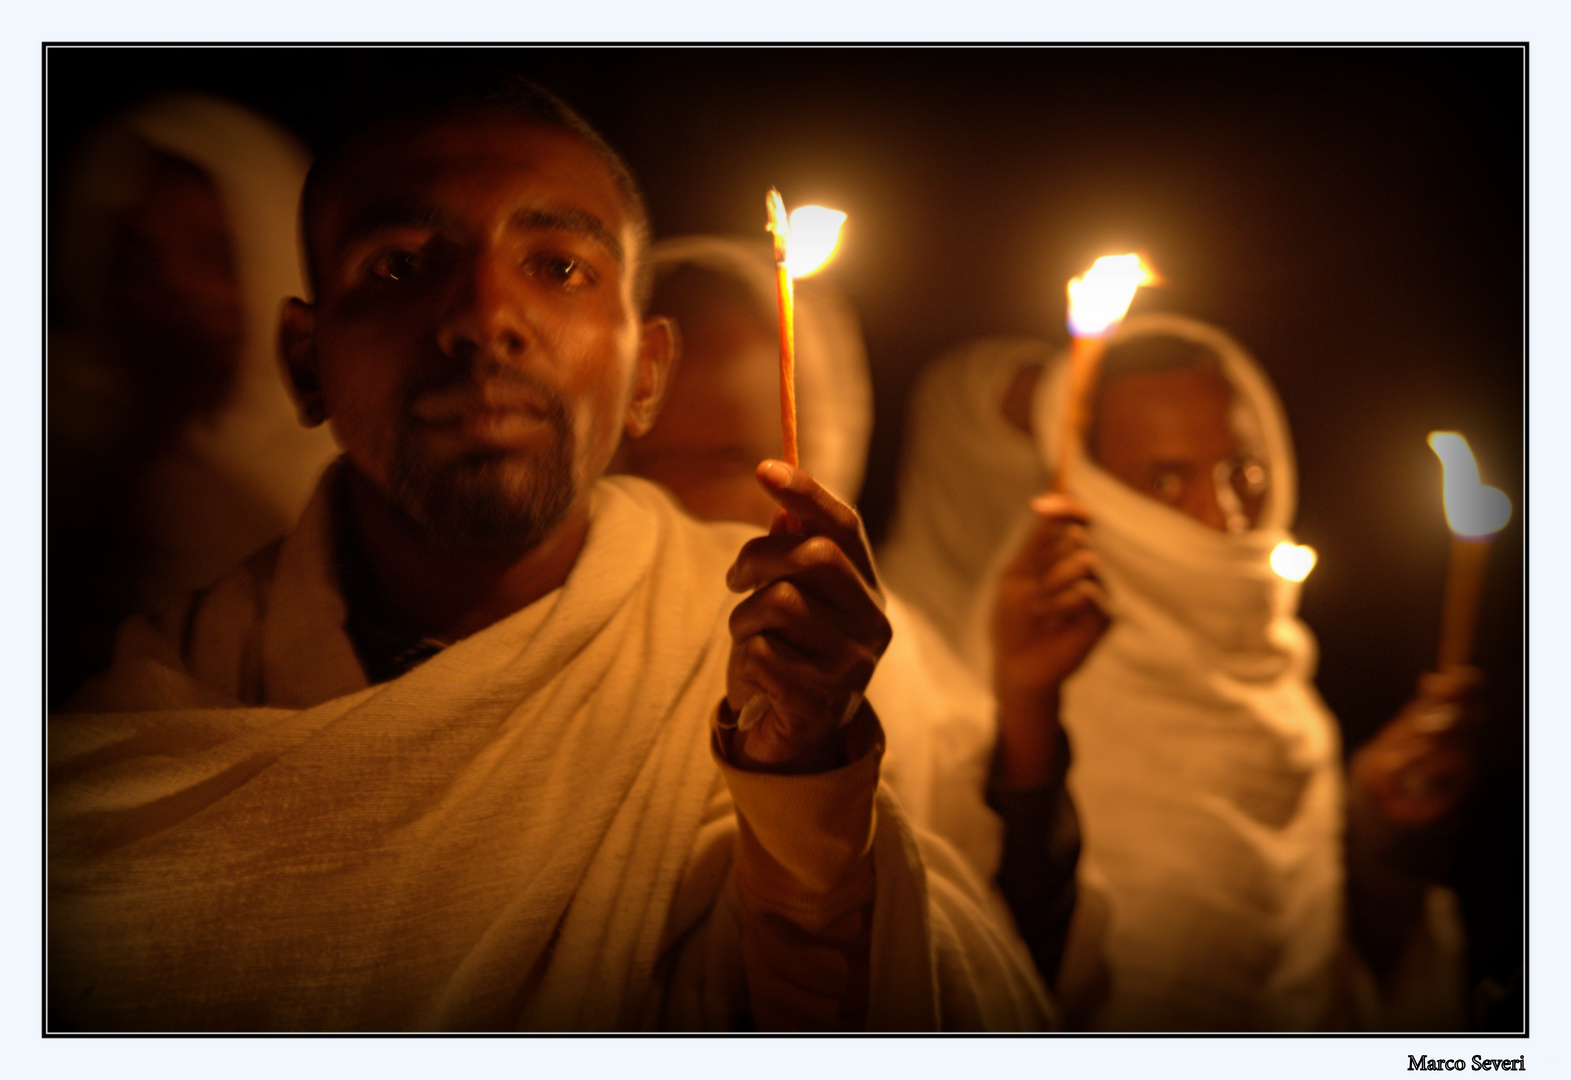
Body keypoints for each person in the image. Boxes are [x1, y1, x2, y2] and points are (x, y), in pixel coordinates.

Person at [47, 79, 1051, 1032]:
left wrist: (802, 770)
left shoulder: (754, 656)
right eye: (401, 264)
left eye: (559, 268)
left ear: (647, 370)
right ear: (306, 361)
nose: (485, 320)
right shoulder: (160, 727)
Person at [881, 313, 1475, 1031]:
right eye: (1164, 480)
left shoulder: (1282, 683)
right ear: (1096, 489)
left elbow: (1317, 967)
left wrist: (1380, 825)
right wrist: (1030, 712)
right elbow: (1006, 952)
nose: (1220, 515)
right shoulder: (1026, 665)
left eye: (1243, 473)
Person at [614, 236, 1093, 988]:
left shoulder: (903, 667)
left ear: (816, 448)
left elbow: (1003, 945)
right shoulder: (564, 654)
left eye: (733, 460)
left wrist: (1028, 710)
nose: (684, 502)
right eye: (642, 465)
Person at [49, 94, 340, 704]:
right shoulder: (57, 451)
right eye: (138, 255)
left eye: (210, 254)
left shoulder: (345, 502)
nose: (172, 288)